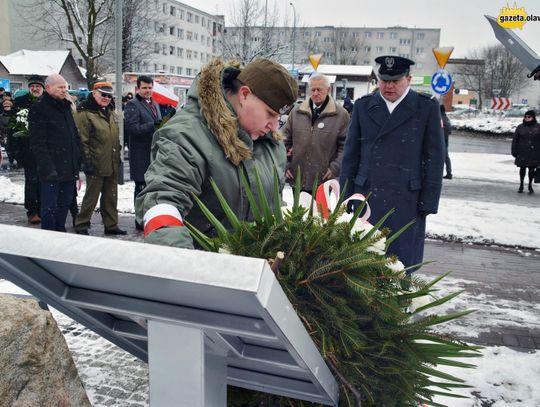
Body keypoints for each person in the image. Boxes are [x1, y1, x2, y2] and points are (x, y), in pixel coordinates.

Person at [135, 58, 297, 248]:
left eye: (280, 117)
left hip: (254, 272)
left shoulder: (270, 143)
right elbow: (163, 203)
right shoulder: (186, 135)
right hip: (203, 267)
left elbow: (273, 209)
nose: (274, 126)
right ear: (244, 95)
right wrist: (183, 267)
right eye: (270, 114)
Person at [340, 55, 445, 270]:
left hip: (407, 199)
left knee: (401, 265)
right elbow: (351, 155)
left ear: (408, 79)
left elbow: (435, 158)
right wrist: (345, 197)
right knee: (363, 264)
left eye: (395, 80)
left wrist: (429, 201)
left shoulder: (425, 108)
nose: (388, 86)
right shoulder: (363, 106)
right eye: (384, 80)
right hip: (367, 196)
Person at [29, 74, 81, 232]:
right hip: (51, 169)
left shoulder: (65, 106)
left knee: (63, 205)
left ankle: (60, 234)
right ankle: (49, 239)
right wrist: (48, 168)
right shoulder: (39, 108)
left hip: (68, 168)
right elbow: (38, 143)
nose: (64, 90)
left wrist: (77, 164)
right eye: (60, 87)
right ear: (48, 88)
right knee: (50, 208)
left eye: (65, 87)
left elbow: (73, 137)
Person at [74, 82, 126, 236]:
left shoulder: (111, 112)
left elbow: (115, 138)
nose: (106, 98)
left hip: (111, 161)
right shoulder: (85, 113)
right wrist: (87, 162)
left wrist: (118, 156)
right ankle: (82, 224)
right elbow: (82, 140)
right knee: (91, 196)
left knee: (111, 196)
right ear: (94, 93)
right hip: (95, 163)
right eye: (103, 94)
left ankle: (111, 225)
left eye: (109, 96)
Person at [282, 73, 349, 193]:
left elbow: (345, 146)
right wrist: (285, 164)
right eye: (313, 89)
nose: (315, 93)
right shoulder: (297, 112)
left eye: (319, 89)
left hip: (323, 179)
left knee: (320, 212)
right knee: (298, 212)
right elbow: (283, 140)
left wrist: (335, 168)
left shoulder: (341, 115)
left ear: (328, 90)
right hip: (297, 178)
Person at [124, 75, 162, 229]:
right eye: (144, 88)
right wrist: (152, 125)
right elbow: (131, 129)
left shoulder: (155, 104)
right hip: (140, 155)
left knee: (151, 189)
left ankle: (148, 217)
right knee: (140, 188)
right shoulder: (133, 104)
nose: (148, 91)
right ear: (138, 89)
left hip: (153, 154)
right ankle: (139, 220)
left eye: (150, 87)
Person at [13, 75, 46, 224]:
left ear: (43, 88)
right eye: (32, 86)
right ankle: (32, 211)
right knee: (32, 181)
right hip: (28, 148)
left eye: (38, 86)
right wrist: (15, 150)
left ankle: (44, 208)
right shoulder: (20, 103)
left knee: (45, 181)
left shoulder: (49, 101)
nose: (35, 88)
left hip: (47, 149)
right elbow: (14, 129)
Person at [511, 110, 540, 194]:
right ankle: (521, 185)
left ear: (533, 117)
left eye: (529, 117)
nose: (527, 118)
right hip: (522, 152)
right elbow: (515, 140)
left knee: (532, 170)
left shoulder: (538, 127)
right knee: (522, 169)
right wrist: (514, 151)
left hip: (534, 153)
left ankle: (530, 185)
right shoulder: (520, 127)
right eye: (525, 116)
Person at [440, 105, 453, 179]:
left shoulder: (440, 118)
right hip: (446, 139)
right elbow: (449, 131)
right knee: (446, 157)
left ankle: (447, 173)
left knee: (441, 157)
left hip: (441, 140)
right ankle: (449, 173)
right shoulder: (446, 118)